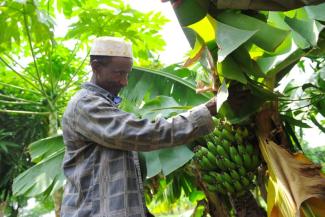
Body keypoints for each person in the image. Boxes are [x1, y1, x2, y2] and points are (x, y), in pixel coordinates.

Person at [60, 36, 218, 217]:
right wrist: (207, 110)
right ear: (96, 67)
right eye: (119, 73)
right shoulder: (85, 105)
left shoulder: (107, 106)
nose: (125, 81)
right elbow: (145, 134)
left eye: (127, 74)